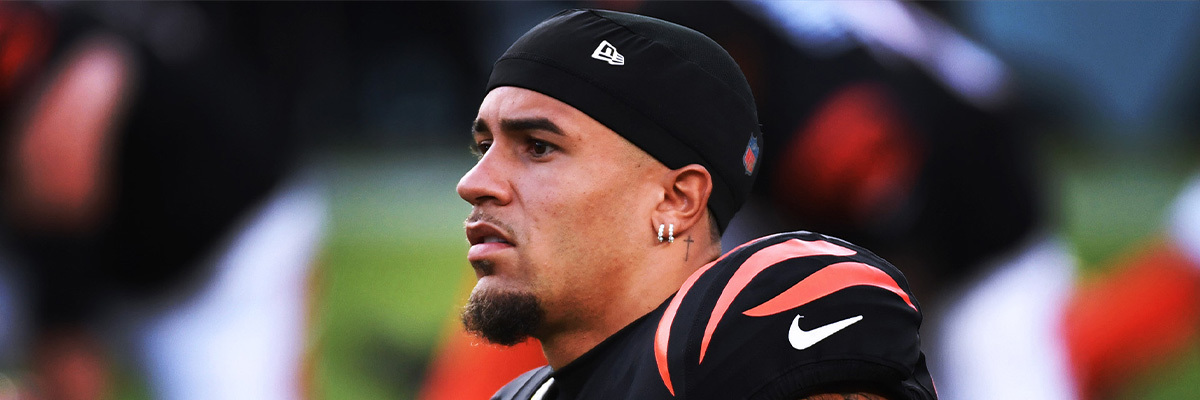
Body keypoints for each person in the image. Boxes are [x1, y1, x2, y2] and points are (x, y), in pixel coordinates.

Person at [455, 9, 936, 400]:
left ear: (676, 200)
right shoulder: (523, 393)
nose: (474, 183)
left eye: (538, 147)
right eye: (484, 147)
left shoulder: (754, 341)